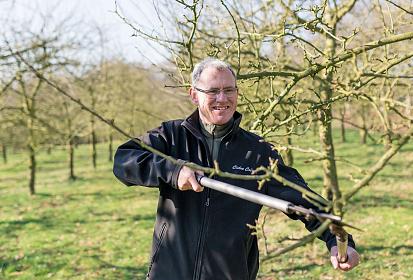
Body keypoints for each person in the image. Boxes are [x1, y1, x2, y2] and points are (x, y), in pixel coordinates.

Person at [113, 57, 360, 280]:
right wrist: (172, 171)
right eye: (213, 91)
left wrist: (339, 240)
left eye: (229, 90)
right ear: (193, 94)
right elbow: (124, 160)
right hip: (168, 273)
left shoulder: (258, 152)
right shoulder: (172, 137)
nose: (222, 98)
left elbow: (300, 198)